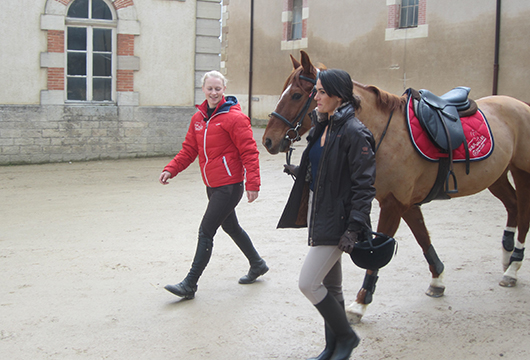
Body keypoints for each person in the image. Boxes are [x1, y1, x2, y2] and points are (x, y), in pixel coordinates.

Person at [279, 69, 376, 360]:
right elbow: (326, 168)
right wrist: (301, 171)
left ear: (338, 96)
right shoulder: (325, 125)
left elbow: (364, 186)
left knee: (308, 283)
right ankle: (332, 347)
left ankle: (346, 337)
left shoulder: (355, 132)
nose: (315, 96)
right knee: (331, 286)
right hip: (318, 212)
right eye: (315, 91)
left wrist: (354, 228)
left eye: (321, 92)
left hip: (339, 222)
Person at [159, 70, 268, 300]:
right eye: (210, 88)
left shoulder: (235, 118)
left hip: (230, 186)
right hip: (212, 185)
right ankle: (257, 264)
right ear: (203, 90)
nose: (214, 92)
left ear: (224, 89)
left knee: (206, 231)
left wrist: (253, 183)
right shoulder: (198, 119)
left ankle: (190, 284)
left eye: (218, 88)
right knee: (231, 227)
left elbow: (249, 151)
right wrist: (171, 169)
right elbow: (189, 149)